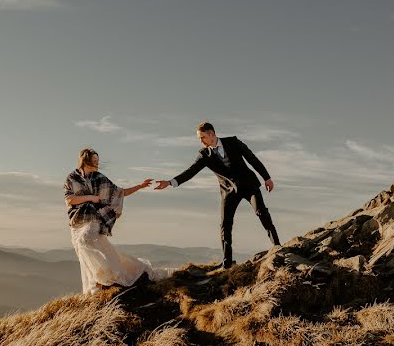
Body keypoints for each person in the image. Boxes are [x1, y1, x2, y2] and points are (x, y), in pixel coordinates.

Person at [155, 122, 280, 269]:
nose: (201, 141)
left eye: (203, 137)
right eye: (199, 138)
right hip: (228, 191)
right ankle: (227, 262)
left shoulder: (233, 142)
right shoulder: (204, 154)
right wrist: (170, 183)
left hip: (248, 185)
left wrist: (267, 178)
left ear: (212, 134)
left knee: (261, 212)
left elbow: (252, 159)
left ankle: (277, 246)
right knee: (225, 224)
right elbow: (191, 171)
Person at [64, 148, 167, 294]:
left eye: (97, 161)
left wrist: (140, 186)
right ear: (85, 160)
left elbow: (120, 193)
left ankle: (104, 276)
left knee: (84, 241)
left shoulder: (99, 178)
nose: (96, 164)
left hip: (95, 218)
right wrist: (91, 198)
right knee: (89, 251)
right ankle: (96, 283)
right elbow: (70, 199)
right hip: (77, 221)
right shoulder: (72, 178)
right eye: (94, 161)